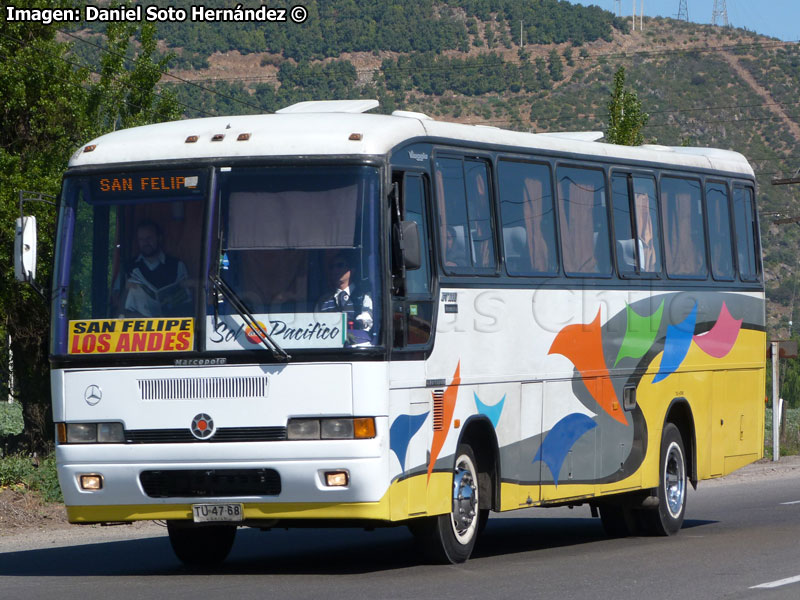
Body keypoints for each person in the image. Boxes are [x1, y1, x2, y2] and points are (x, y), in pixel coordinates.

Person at [122, 219, 191, 317]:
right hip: (138, 327)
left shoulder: (176, 265)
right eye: (141, 239)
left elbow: (186, 301)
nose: (145, 243)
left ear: (159, 238)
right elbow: (118, 305)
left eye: (149, 238)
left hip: (171, 326)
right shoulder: (129, 267)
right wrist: (126, 290)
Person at [318, 251, 373, 346]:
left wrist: (357, 323)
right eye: (332, 267)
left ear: (352, 269)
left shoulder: (364, 296)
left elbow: (367, 320)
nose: (335, 270)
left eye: (340, 265)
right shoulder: (323, 301)